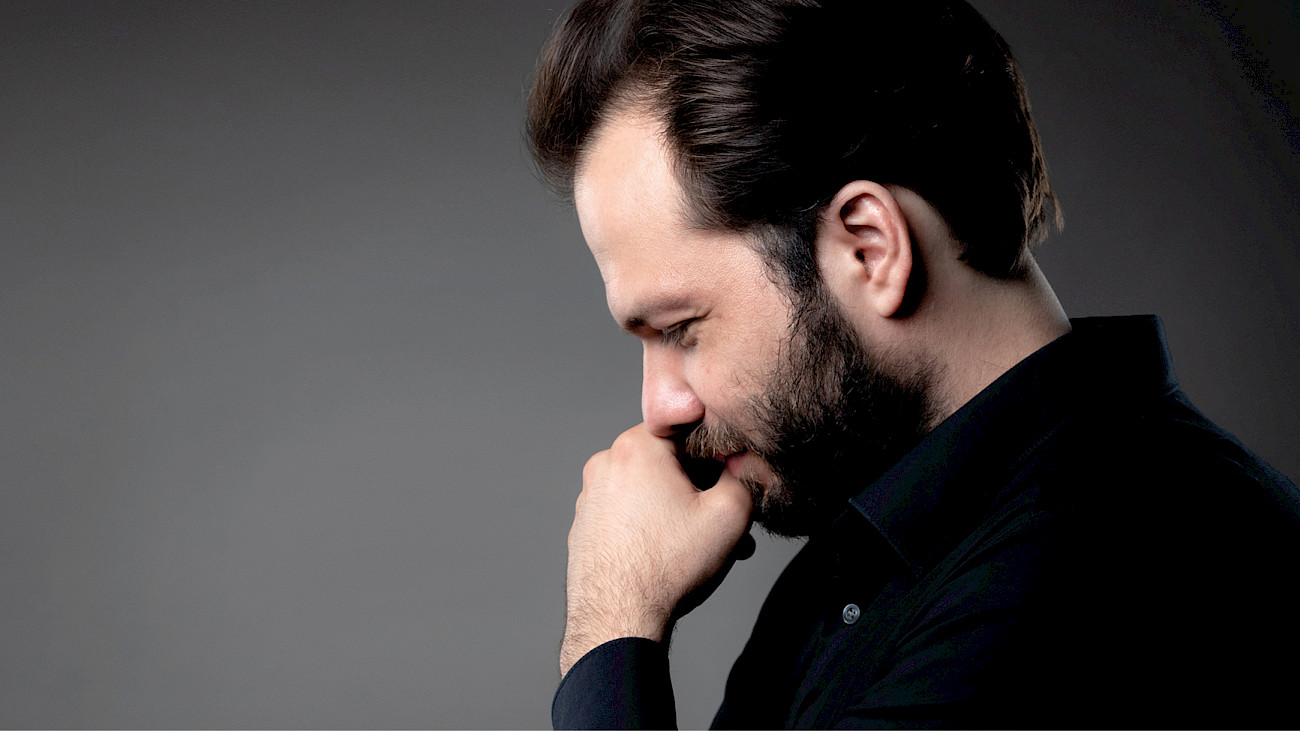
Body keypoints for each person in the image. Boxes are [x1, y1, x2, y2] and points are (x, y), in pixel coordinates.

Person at [525, 0, 1300, 727]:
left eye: (680, 328)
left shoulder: (1111, 571)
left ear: (870, 250)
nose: (660, 406)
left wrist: (613, 627)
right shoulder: (867, 555)